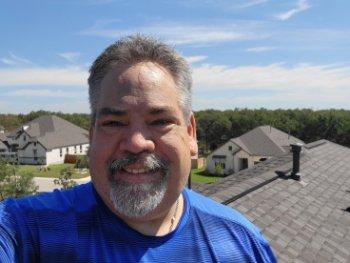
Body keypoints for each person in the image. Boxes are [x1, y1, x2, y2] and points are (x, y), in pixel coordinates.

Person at [0, 35, 276, 262]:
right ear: (92, 134)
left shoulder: (240, 246)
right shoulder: (29, 230)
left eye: (160, 121)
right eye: (113, 122)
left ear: (190, 133)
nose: (136, 142)